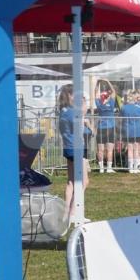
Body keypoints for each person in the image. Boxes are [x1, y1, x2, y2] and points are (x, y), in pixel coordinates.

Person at [57, 84, 91, 222]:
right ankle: (74, 213)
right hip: (76, 148)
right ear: (70, 95)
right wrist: (84, 110)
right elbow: (81, 130)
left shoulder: (63, 111)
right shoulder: (72, 112)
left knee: (71, 182)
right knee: (83, 182)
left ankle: (66, 214)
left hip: (68, 147)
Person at [93, 81, 118, 173]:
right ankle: (109, 168)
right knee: (109, 150)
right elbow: (113, 91)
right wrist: (107, 82)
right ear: (107, 97)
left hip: (101, 128)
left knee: (100, 150)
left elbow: (95, 92)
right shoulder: (111, 103)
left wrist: (97, 84)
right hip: (110, 128)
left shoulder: (99, 104)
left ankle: (101, 168)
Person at [122, 90, 140, 173]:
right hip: (137, 130)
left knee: (130, 149)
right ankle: (135, 167)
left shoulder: (124, 107)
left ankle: (130, 167)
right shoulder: (139, 107)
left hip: (128, 130)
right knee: (136, 149)